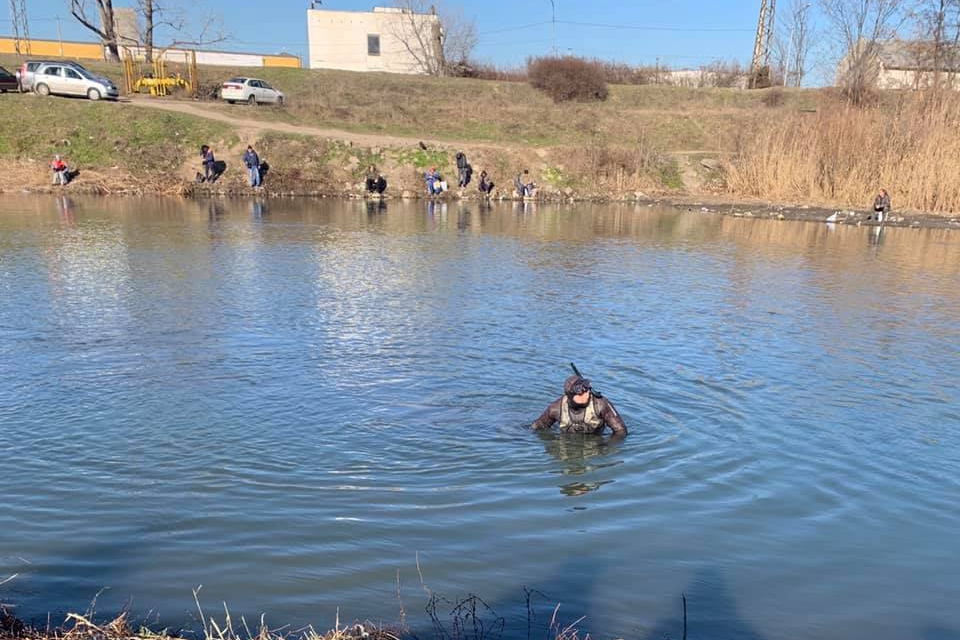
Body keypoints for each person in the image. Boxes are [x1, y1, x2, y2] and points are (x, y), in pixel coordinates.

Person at [532, 374, 627, 437]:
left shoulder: (601, 404)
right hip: (567, 444)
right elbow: (538, 427)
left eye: (586, 390)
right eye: (581, 393)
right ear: (570, 396)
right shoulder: (556, 408)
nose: (586, 394)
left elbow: (621, 431)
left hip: (595, 444)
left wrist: (605, 448)